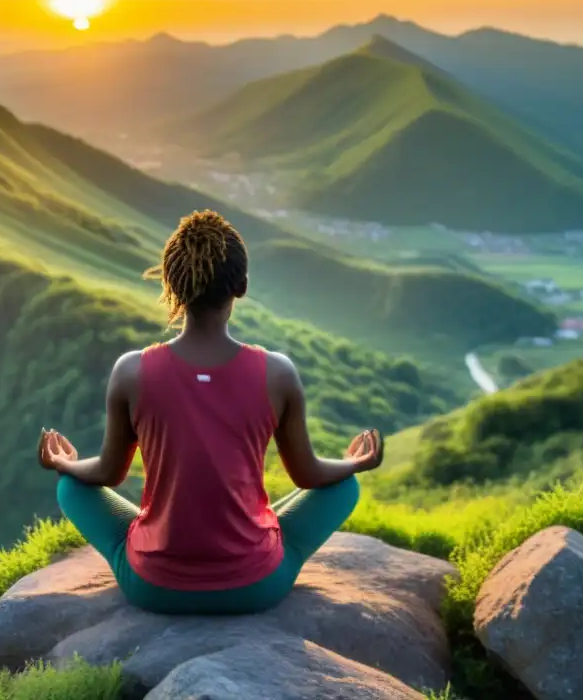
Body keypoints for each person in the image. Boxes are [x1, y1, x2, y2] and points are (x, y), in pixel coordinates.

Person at [38, 209, 384, 615]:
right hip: (255, 589)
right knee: (345, 486)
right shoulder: (277, 373)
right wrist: (353, 463)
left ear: (172, 284)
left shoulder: (131, 372)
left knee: (70, 486)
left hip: (154, 589)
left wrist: (66, 464)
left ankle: (158, 548)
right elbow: (308, 475)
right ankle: (254, 542)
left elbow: (108, 474)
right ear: (242, 286)